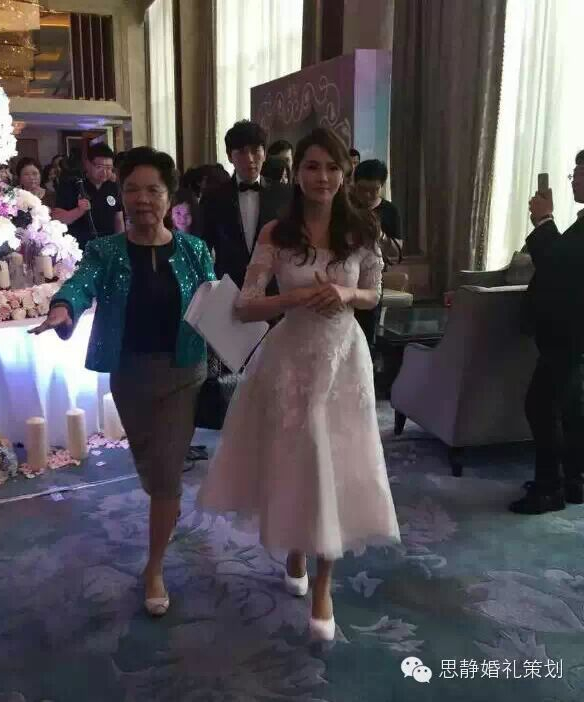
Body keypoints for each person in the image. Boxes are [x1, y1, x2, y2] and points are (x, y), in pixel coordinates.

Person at [197, 128, 401, 641]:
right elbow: (246, 305)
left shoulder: (362, 229)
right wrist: (294, 298)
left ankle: (324, 585)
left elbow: (374, 293)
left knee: (335, 460)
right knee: (299, 457)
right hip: (289, 357)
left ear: (344, 173)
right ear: (296, 172)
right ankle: (294, 546)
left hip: (343, 358)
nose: (322, 177)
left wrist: (346, 294)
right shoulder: (277, 233)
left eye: (332, 167)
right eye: (312, 166)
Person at [29, 147, 216, 616]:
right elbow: (82, 283)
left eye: (153, 189)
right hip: (129, 376)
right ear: (122, 194)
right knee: (152, 467)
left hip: (183, 373)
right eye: (132, 189)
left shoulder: (193, 250)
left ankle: (154, 568)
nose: (142, 199)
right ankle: (166, 502)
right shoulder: (105, 251)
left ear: (169, 196)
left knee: (166, 472)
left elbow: (214, 301)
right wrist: (64, 307)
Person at [509, 151, 584, 514]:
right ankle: (572, 480)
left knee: (541, 405)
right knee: (570, 407)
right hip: (568, 332)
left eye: (579, 173)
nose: (574, 180)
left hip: (569, 333)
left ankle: (548, 488)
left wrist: (543, 221)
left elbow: (558, 265)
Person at [199, 119, 291, 288]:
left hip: (273, 291)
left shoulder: (283, 195)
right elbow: (203, 249)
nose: (249, 159)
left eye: (256, 151)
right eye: (241, 152)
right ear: (229, 156)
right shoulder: (213, 198)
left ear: (264, 153)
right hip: (228, 290)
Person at [352, 159, 403, 350]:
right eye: (362, 189)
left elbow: (397, 252)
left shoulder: (389, 211)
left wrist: (380, 235)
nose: (367, 195)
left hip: (372, 281)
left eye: (373, 190)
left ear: (381, 186)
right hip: (344, 276)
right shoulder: (345, 206)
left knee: (367, 338)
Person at [53, 143, 125, 249]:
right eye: (99, 167)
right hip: (79, 248)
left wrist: (121, 244)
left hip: (107, 248)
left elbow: (118, 219)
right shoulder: (73, 185)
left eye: (109, 168)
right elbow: (57, 219)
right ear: (87, 164)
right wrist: (78, 211)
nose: (105, 172)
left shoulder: (113, 186)